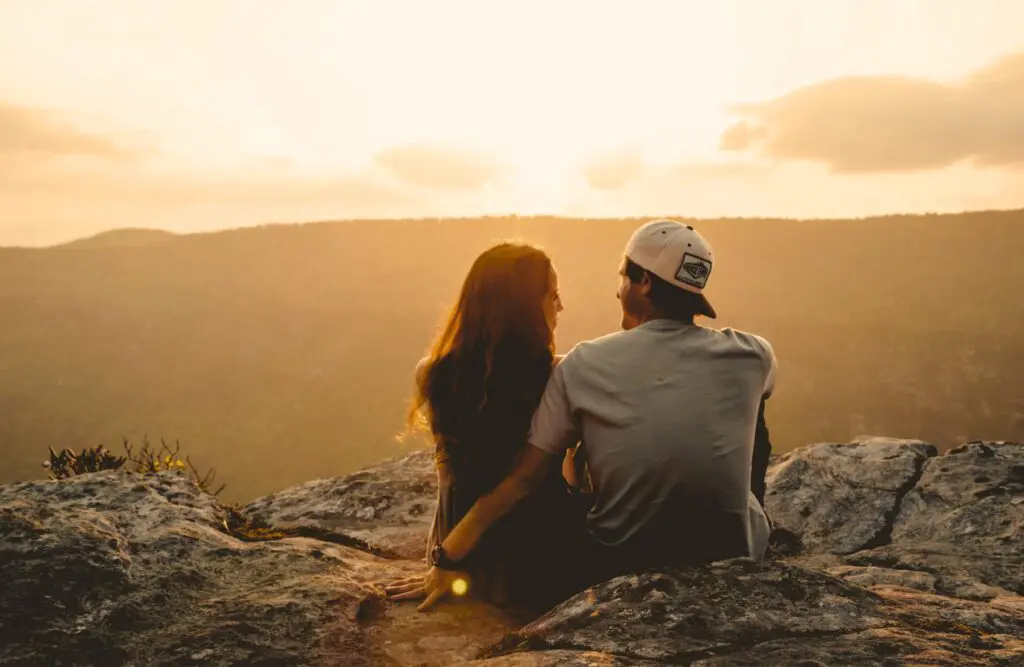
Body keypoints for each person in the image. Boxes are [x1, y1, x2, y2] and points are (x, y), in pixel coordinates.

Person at [387, 219, 777, 611]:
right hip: (730, 555)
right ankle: (744, 525)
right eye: (552, 295)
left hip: (616, 560)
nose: (616, 288)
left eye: (623, 275)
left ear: (643, 282)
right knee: (750, 423)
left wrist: (447, 556)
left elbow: (520, 479)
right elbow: (757, 406)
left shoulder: (584, 365)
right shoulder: (755, 355)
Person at [392, 241, 580, 612]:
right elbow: (523, 482)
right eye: (553, 295)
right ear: (526, 308)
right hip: (543, 558)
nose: (561, 306)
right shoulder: (559, 375)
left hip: (468, 558)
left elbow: (450, 482)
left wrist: (445, 559)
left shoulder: (431, 373)